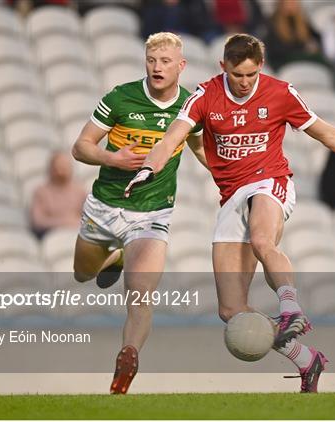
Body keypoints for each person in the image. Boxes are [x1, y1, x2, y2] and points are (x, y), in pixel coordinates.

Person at [124, 34, 335, 393]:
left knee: (261, 238)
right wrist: (149, 168)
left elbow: (327, 134)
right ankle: (305, 359)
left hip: (270, 182)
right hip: (232, 196)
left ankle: (290, 307)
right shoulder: (204, 97)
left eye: (251, 75)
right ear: (224, 67)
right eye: (237, 74)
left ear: (260, 68)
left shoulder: (280, 93)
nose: (244, 82)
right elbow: (171, 138)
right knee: (231, 310)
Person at [71, 32, 205, 394]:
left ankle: (126, 360)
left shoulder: (192, 106)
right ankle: (113, 256)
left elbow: (199, 149)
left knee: (140, 292)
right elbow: (80, 147)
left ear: (181, 66)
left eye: (165, 62)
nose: (157, 68)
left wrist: (233, 181)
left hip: (152, 212)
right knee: (83, 274)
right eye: (152, 61)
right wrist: (111, 157)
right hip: (105, 205)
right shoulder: (119, 97)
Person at [30, 151, 87, 239]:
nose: (61, 171)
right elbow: (38, 222)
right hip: (50, 238)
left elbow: (91, 220)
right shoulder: (41, 192)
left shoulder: (80, 192)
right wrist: (64, 222)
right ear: (51, 168)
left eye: (65, 166)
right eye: (58, 166)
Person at [265, 0, 326, 71]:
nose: (292, 5)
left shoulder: (303, 22)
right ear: (281, 4)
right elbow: (276, 49)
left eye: (294, 2)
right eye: (289, 3)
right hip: (284, 62)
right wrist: (303, 49)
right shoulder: (272, 23)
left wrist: (313, 46)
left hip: (302, 60)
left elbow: (316, 38)